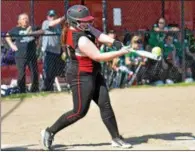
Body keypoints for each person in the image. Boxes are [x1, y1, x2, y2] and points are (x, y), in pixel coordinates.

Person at [40, 5, 132, 150]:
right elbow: (99, 56)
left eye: (87, 20)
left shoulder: (84, 28)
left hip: (93, 72)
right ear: (74, 22)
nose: (87, 23)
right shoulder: (79, 39)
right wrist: (120, 52)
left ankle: (115, 137)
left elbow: (99, 34)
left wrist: (115, 43)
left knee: (105, 104)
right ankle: (49, 131)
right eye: (83, 21)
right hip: (80, 76)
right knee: (79, 111)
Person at [5, 13, 43, 93]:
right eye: (23, 19)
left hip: (32, 55)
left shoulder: (33, 28)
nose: (25, 20)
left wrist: (34, 37)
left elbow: (42, 31)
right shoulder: (16, 30)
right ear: (19, 21)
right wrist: (12, 45)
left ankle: (34, 90)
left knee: (34, 73)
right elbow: (7, 35)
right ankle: (21, 91)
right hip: (20, 56)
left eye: (26, 18)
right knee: (21, 74)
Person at [41, 10, 66, 91]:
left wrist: (64, 51)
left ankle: (50, 89)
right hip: (48, 52)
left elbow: (61, 40)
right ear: (47, 17)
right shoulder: (46, 22)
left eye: (53, 16)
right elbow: (52, 23)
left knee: (55, 73)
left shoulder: (58, 26)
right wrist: (63, 18)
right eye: (50, 16)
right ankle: (46, 89)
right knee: (48, 72)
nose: (52, 17)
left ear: (56, 16)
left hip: (57, 52)